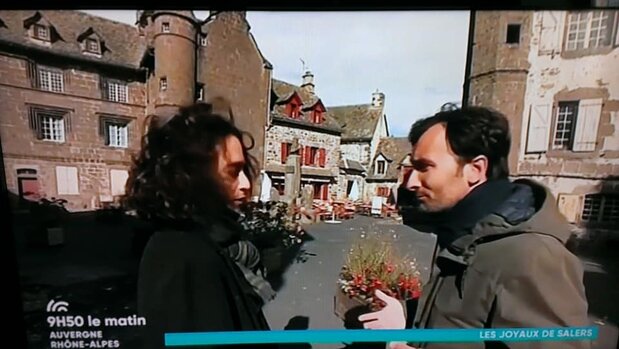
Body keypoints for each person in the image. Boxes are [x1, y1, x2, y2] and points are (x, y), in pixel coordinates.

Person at [359, 107, 590, 349]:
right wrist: (406, 316)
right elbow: (461, 320)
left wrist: (398, 345)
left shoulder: (534, 256)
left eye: (424, 167)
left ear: (475, 169)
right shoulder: (464, 233)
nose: (412, 182)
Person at [124, 101, 276, 349]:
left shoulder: (209, 243)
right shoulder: (180, 253)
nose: (247, 184)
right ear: (190, 175)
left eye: (245, 171)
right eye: (233, 172)